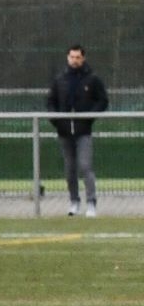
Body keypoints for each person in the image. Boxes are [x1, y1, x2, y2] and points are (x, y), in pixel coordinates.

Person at [47, 46, 108, 218]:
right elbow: (51, 102)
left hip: (83, 131)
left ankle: (91, 202)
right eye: (72, 57)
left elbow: (103, 100)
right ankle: (74, 201)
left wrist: (89, 117)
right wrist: (56, 120)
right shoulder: (60, 79)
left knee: (85, 166)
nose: (75, 60)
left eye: (78, 57)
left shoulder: (92, 79)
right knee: (69, 169)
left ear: (83, 58)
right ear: (68, 57)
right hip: (64, 132)